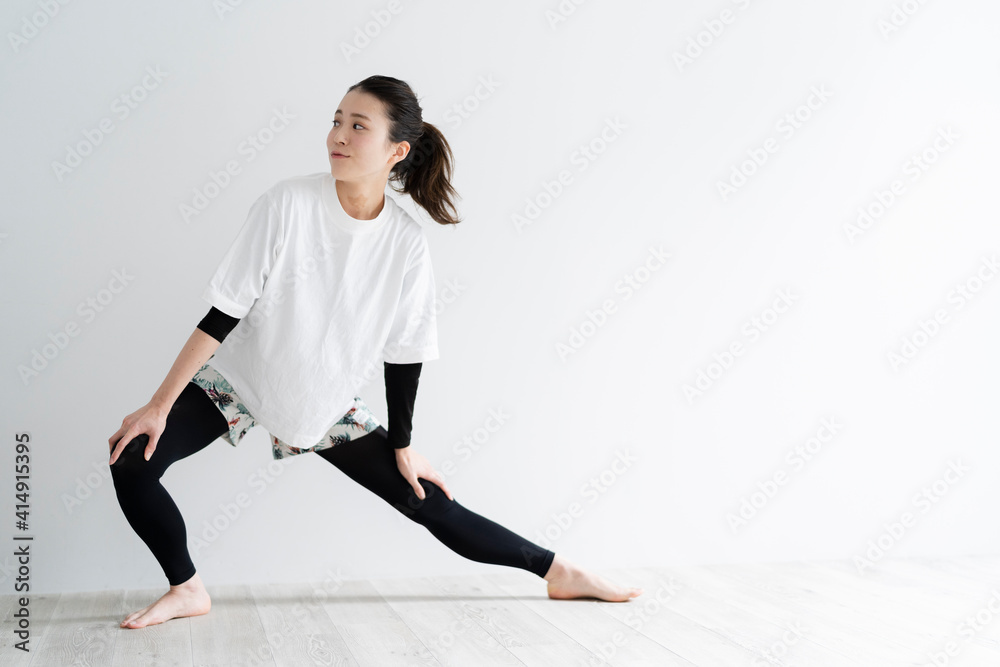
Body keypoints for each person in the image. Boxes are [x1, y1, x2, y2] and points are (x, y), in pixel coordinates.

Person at [108, 75, 643, 630]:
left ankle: (559, 571)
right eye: (336, 121)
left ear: (397, 151)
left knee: (430, 504)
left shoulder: (405, 243)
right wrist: (158, 407)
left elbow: (405, 352)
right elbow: (224, 314)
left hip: (323, 402)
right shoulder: (287, 203)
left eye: (358, 125)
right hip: (240, 382)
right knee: (131, 461)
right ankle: (187, 588)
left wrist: (404, 445)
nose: (338, 135)